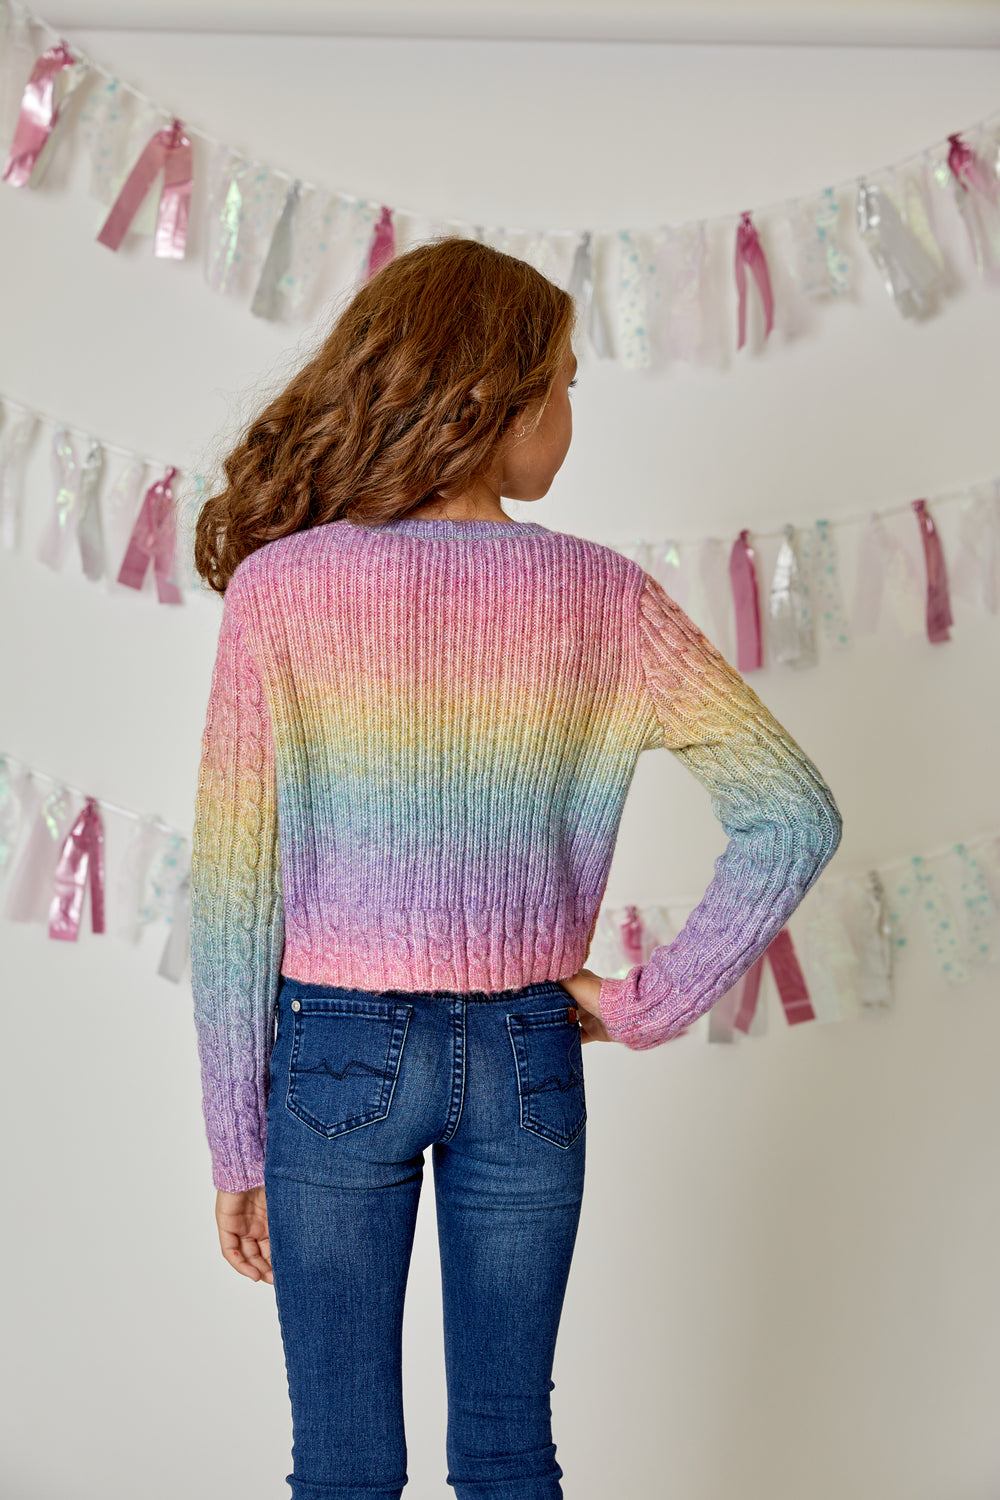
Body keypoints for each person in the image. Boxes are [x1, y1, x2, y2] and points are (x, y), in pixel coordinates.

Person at [189, 236, 843, 1500]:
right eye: (566, 385)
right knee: (507, 1451)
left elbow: (232, 895)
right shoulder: (606, 597)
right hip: (527, 1059)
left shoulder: (280, 590)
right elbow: (793, 815)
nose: (571, 415)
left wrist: (234, 1142)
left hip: (331, 1061)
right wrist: (645, 1005)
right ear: (495, 398)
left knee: (341, 1461)